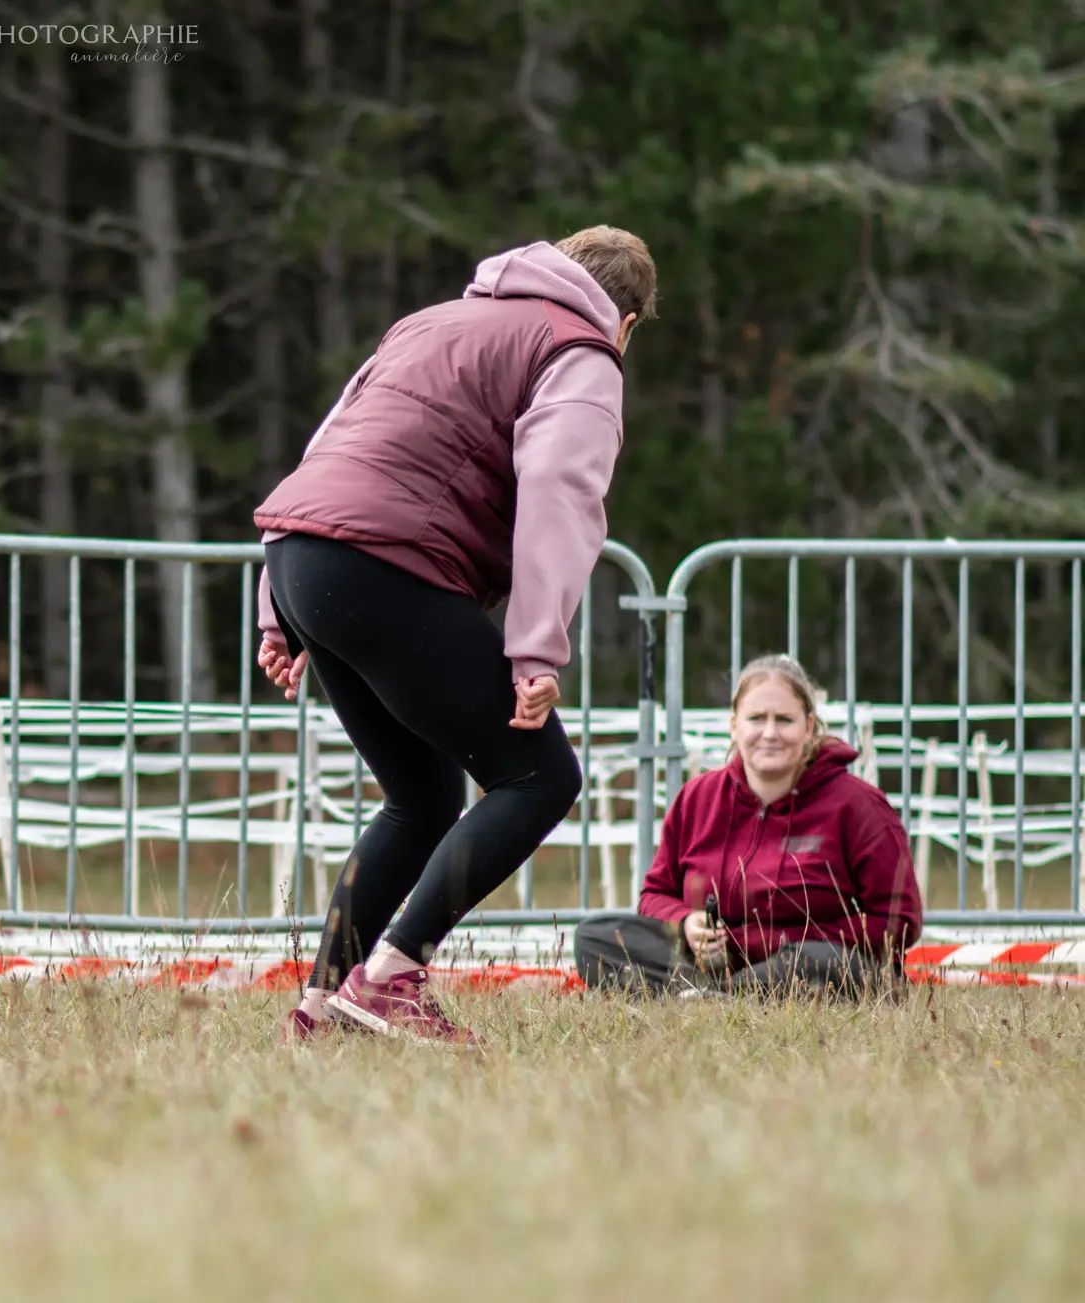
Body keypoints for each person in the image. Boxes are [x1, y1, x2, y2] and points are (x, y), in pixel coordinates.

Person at [253, 226, 657, 1047]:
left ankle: (327, 1000)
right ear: (629, 319)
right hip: (384, 564)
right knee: (539, 777)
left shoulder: (429, 321)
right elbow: (559, 490)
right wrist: (536, 648)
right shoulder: (582, 350)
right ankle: (396, 972)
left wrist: (278, 608)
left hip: (303, 556)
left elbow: (326, 447)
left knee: (423, 794)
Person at [573, 654, 923, 999]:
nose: (769, 733)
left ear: (809, 725)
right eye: (756, 718)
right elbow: (654, 896)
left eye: (784, 720)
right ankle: (713, 995)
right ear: (734, 725)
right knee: (595, 937)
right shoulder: (697, 797)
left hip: (808, 965)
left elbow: (900, 921)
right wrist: (686, 923)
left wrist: (761, 943)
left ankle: (702, 997)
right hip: (710, 965)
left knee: (818, 963)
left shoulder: (859, 805)